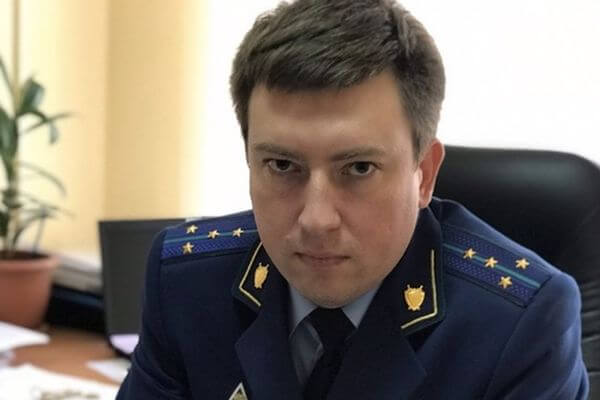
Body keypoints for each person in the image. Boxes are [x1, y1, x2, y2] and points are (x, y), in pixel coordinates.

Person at [117, 0, 589, 399]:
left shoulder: (519, 324)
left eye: (359, 168)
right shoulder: (186, 282)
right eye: (281, 165)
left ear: (424, 175)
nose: (316, 219)